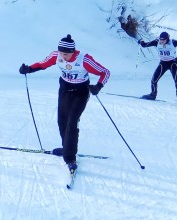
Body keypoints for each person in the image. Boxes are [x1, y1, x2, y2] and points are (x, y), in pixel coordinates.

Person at [19, 34, 110, 172]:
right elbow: (43, 64)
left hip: (81, 92)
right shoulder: (56, 56)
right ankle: (66, 147)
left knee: (72, 122)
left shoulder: (84, 59)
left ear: (73, 52)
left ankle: (70, 157)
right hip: (65, 90)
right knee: (62, 121)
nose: (63, 56)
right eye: (61, 53)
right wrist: (28, 69)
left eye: (66, 54)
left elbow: (105, 72)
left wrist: (98, 86)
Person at [137, 31, 177, 102]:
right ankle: (153, 95)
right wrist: (141, 41)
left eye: (163, 40)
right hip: (163, 63)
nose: (162, 41)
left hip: (173, 63)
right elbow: (145, 45)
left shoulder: (173, 42)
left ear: (167, 38)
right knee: (154, 79)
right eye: (161, 39)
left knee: (176, 79)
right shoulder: (157, 42)